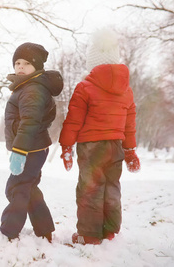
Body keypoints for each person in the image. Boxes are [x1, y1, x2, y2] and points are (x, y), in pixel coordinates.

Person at [58, 28, 141, 245]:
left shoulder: (84, 87)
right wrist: (130, 150)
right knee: (112, 187)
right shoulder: (126, 90)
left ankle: (89, 235)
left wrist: (66, 147)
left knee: (90, 189)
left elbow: (73, 121)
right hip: (115, 146)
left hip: (91, 147)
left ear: (91, 61)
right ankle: (110, 230)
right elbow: (129, 124)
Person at [0, 42, 63, 242]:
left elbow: (29, 122)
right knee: (29, 187)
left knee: (17, 187)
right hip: (33, 146)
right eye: (17, 62)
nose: (20, 66)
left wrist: (19, 151)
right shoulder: (26, 86)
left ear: (36, 67)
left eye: (26, 63)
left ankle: (8, 232)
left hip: (30, 148)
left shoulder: (33, 89)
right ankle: (44, 230)